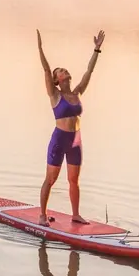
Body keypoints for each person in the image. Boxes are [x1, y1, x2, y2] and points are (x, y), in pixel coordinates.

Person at [35, 29, 105, 224]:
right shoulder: (55, 95)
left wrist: (96, 50)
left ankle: (75, 214)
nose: (65, 71)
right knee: (50, 179)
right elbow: (46, 71)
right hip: (59, 140)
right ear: (57, 80)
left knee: (74, 180)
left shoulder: (77, 93)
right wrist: (40, 48)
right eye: (61, 71)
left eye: (65, 70)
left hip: (75, 141)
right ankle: (42, 215)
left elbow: (89, 71)